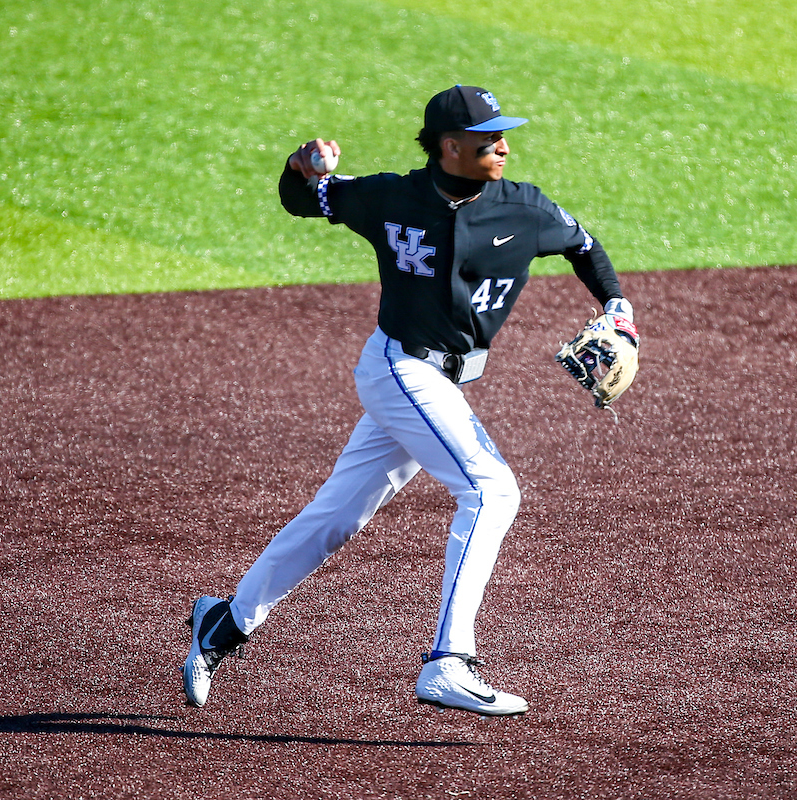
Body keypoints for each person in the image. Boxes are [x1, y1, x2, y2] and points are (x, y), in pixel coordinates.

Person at [182, 85, 637, 717]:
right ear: (451, 147)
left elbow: (584, 248)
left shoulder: (524, 208)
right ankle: (450, 662)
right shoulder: (389, 196)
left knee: (337, 516)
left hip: (443, 382)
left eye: (504, 136)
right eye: (488, 139)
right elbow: (302, 201)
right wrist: (298, 164)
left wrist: (616, 307)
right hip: (399, 367)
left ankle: (223, 624)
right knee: (491, 489)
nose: (503, 146)